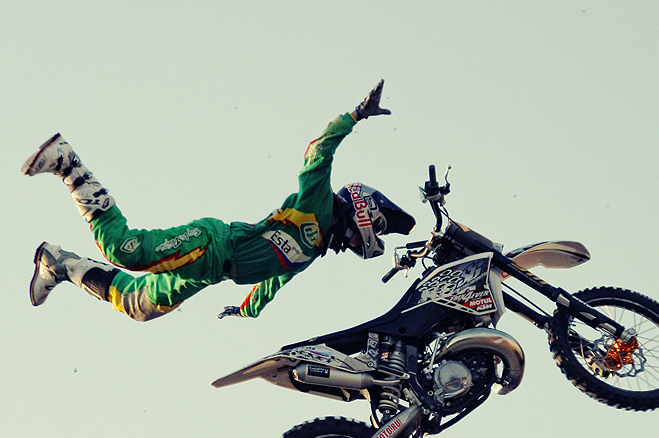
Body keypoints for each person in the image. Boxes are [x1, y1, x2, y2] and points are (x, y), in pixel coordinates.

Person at [24, 80, 416, 322]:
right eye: (376, 229)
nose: (359, 243)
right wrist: (355, 115)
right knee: (123, 250)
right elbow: (319, 153)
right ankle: (68, 163)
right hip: (211, 244)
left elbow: (274, 280)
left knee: (136, 305)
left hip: (208, 272)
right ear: (364, 210)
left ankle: (59, 263)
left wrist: (247, 309)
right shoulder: (319, 204)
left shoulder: (312, 249)